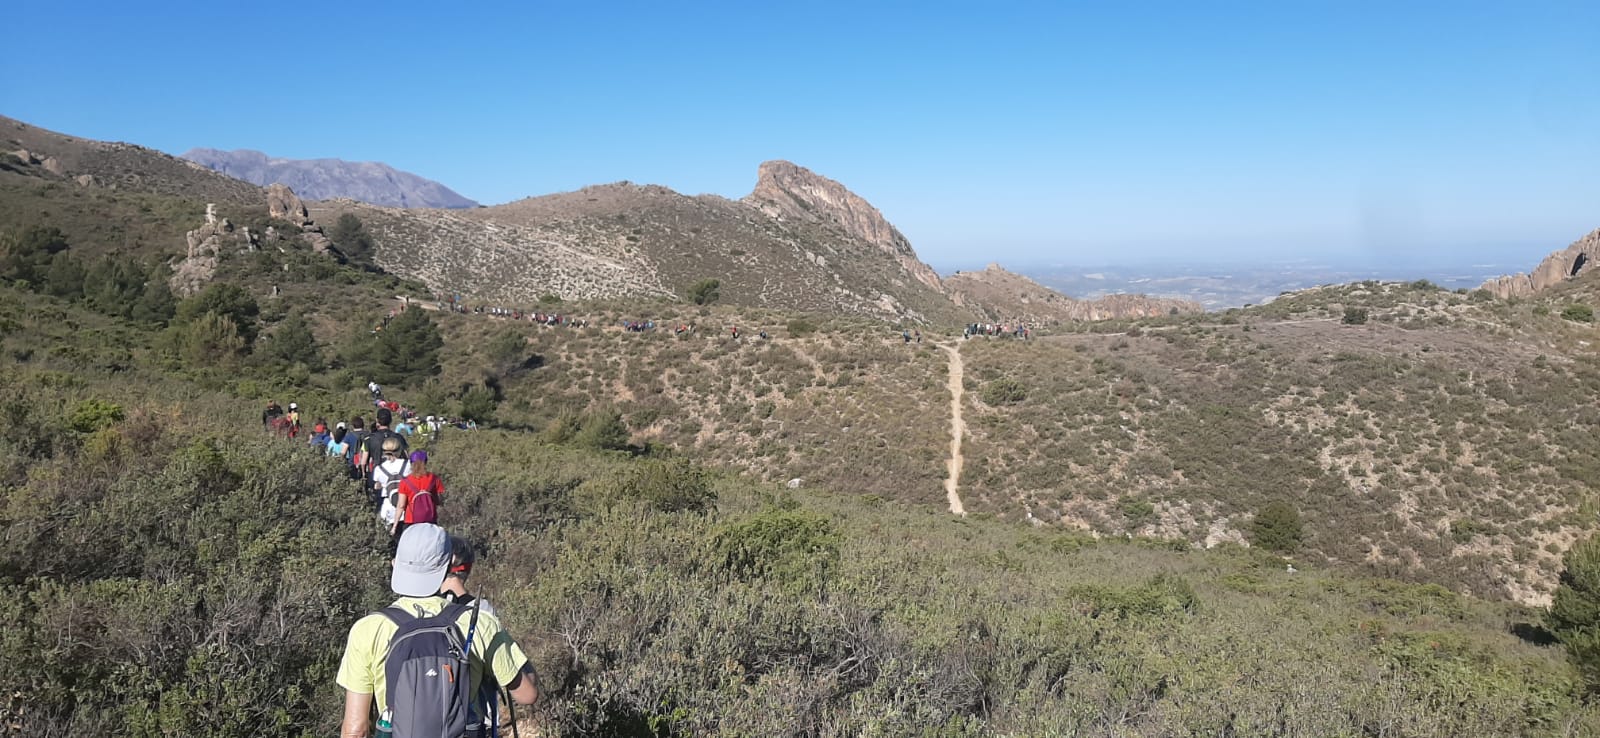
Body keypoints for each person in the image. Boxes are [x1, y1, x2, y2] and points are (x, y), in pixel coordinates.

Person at [337, 524, 538, 738]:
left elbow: (356, 729)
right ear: (447, 567)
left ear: (396, 565)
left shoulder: (368, 629)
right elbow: (527, 694)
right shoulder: (478, 622)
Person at [391, 450, 445, 541]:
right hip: (430, 520)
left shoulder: (405, 482)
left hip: (411, 522)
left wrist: (394, 526)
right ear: (425, 462)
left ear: (411, 464)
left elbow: (401, 505)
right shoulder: (434, 479)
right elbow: (439, 500)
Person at [372, 437, 411, 525]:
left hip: (388, 505)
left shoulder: (379, 469)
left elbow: (377, 486)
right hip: (405, 504)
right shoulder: (407, 465)